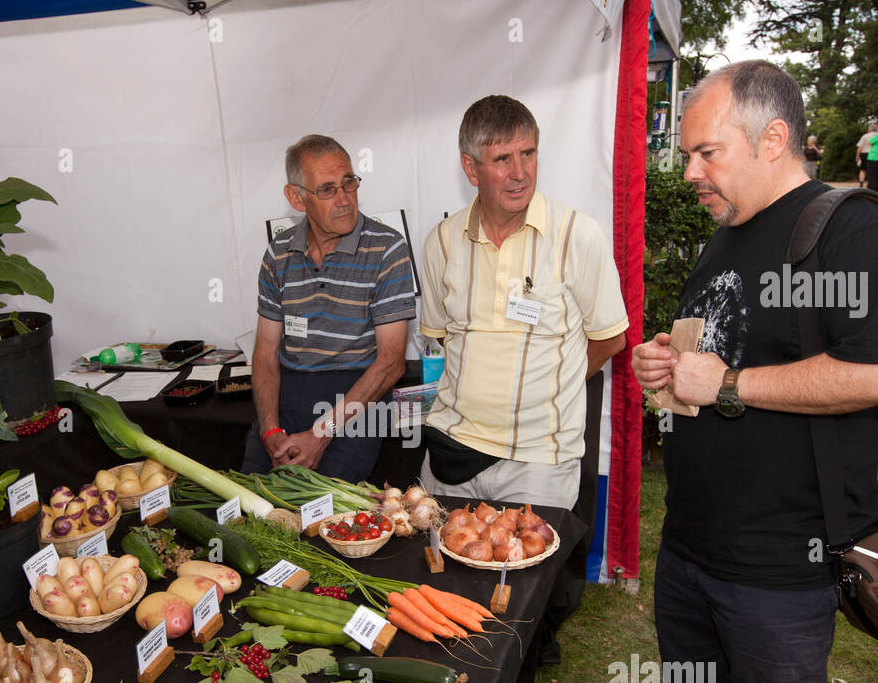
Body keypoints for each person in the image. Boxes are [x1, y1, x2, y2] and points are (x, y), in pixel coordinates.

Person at [611, 61, 878, 683]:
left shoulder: (854, 229)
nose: (689, 173)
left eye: (706, 153)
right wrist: (668, 367)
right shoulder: (729, 233)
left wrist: (732, 383)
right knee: (699, 677)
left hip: (788, 543)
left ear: (774, 138)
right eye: (688, 155)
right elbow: (715, 356)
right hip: (695, 528)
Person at [417, 95, 628, 510]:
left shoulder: (578, 236)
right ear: (470, 167)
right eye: (502, 159)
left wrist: (555, 386)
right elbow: (441, 338)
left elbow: (609, 340)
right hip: (453, 452)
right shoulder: (441, 240)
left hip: (540, 464)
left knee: (521, 575)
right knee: (437, 574)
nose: (520, 173)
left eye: (528, 153)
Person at [242, 135, 415, 482]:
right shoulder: (279, 254)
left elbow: (391, 364)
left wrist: (320, 434)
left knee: (324, 516)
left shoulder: (387, 249)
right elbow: (264, 353)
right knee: (251, 502)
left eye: (348, 183)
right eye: (327, 190)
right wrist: (270, 431)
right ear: (296, 197)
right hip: (289, 391)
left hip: (356, 398)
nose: (344, 200)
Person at [855, 123, 875, 188]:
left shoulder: (865, 136)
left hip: (864, 154)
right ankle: (870, 183)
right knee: (871, 170)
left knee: (862, 169)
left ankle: (861, 183)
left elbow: (860, 147)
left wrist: (857, 155)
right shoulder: (877, 135)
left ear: (869, 129)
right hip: (874, 154)